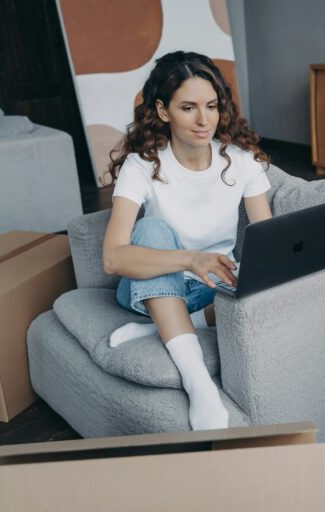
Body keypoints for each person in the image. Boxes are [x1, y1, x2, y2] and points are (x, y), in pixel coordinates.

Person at [101, 51, 272, 430]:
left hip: (213, 291)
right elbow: (113, 258)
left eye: (211, 106)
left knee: (261, 281)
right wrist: (191, 260)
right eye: (188, 107)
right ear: (162, 111)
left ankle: (168, 325)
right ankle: (199, 384)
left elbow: (267, 239)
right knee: (151, 230)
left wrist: (260, 272)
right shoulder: (142, 165)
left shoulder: (242, 161)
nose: (203, 120)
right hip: (154, 284)